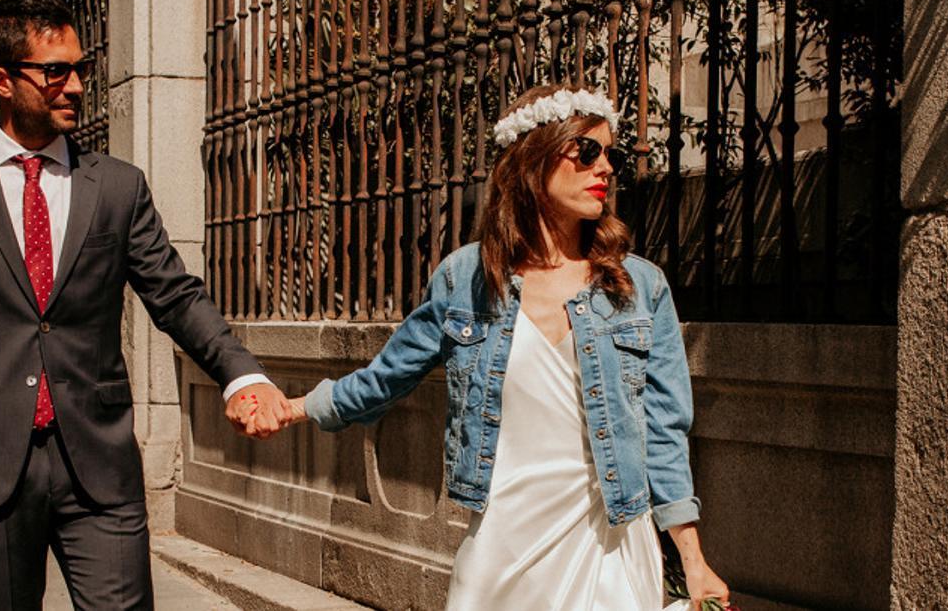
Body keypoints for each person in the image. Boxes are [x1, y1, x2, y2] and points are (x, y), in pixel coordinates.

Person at [0, 0, 290, 610]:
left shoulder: (116, 187)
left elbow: (174, 293)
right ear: (1, 80)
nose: (75, 86)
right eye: (55, 71)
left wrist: (240, 373)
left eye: (81, 69)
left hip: (99, 460)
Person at [274, 84, 730, 610]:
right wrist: (296, 407)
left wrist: (693, 563)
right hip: (503, 544)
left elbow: (664, 431)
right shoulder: (465, 279)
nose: (604, 168)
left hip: (607, 543)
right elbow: (386, 378)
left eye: (610, 155)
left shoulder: (638, 287)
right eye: (586, 152)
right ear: (532, 161)